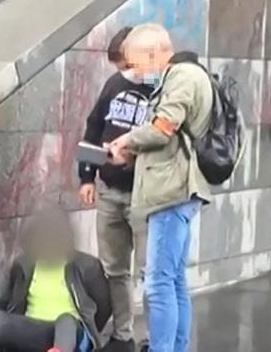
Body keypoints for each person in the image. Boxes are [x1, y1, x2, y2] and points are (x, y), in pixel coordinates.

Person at [106, 23, 212, 352]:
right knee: (174, 281)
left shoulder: (182, 76)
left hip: (171, 193)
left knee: (158, 284)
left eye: (136, 63)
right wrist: (133, 151)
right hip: (176, 190)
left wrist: (127, 140)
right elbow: (166, 134)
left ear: (153, 53)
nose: (134, 73)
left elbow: (164, 126)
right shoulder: (176, 76)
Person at [0, 205, 111, 352]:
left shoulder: (86, 265)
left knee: (66, 319)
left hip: (71, 334)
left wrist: (91, 336)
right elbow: (16, 303)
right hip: (35, 331)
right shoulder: (25, 265)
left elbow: (104, 306)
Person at [78, 26, 153, 352]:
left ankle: (155, 338)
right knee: (115, 269)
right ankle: (123, 334)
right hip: (110, 189)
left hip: (146, 194)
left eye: (126, 63)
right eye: (120, 66)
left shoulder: (160, 89)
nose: (125, 71)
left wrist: (133, 156)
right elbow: (93, 128)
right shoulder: (113, 85)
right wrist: (86, 177)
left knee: (151, 272)